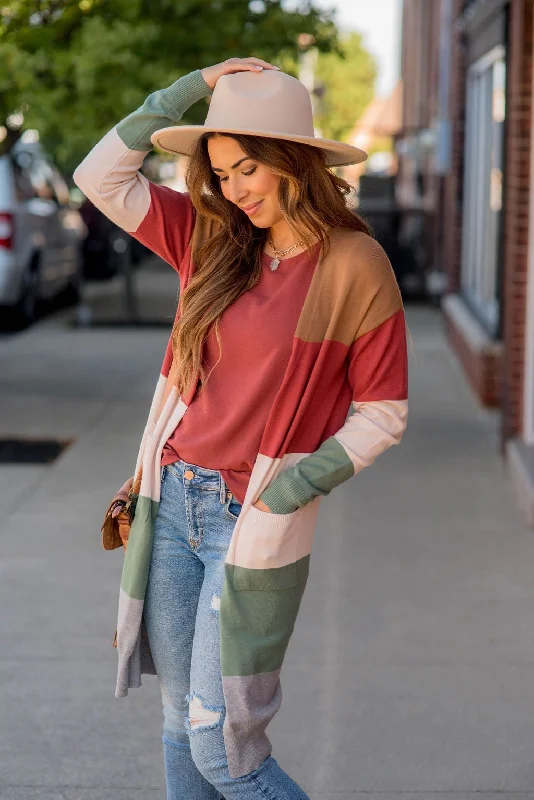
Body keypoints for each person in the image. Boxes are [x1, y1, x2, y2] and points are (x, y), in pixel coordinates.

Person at [74, 57, 409, 800]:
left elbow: (384, 412)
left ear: (295, 160)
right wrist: (190, 85)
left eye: (248, 167)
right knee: (175, 721)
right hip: (173, 503)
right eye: (221, 172)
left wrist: (292, 485)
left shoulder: (355, 265)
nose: (232, 189)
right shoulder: (212, 239)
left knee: (223, 746)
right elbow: (100, 176)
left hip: (247, 521)